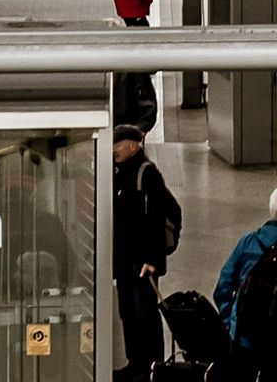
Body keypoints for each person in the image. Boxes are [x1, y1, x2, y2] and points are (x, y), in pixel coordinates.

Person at [212, 185, 277, 382]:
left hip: (243, 336)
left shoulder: (249, 243)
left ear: (272, 211)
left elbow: (223, 287)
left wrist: (231, 322)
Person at [113, 124, 180, 382]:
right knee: (127, 314)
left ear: (132, 145)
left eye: (117, 144)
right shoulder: (118, 172)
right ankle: (135, 363)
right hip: (124, 261)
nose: (113, 149)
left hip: (144, 263)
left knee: (145, 315)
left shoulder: (146, 174)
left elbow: (168, 212)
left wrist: (153, 258)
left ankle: (153, 368)